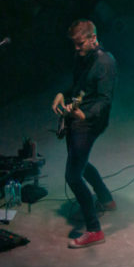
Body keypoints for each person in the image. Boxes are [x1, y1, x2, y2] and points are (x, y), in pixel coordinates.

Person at [52, 19, 116, 249]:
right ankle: (106, 199)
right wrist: (62, 93)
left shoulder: (105, 63)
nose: (76, 50)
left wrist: (83, 116)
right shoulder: (81, 57)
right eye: (75, 45)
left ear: (93, 39)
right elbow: (78, 86)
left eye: (80, 44)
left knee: (72, 175)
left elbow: (104, 101)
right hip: (78, 118)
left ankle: (94, 230)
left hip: (91, 122)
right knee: (79, 162)